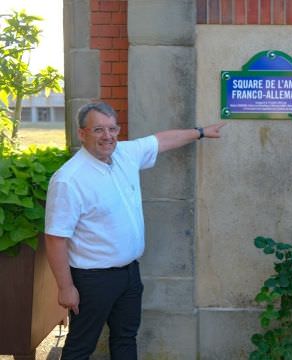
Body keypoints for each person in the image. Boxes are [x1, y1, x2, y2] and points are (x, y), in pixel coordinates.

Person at [44, 101, 225, 359]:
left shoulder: (124, 154)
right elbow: (55, 239)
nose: (107, 136)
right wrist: (65, 287)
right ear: (82, 133)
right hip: (92, 279)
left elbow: (161, 141)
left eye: (112, 129)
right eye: (98, 130)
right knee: (81, 346)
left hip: (129, 275)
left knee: (126, 339)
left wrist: (201, 132)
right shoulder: (69, 180)